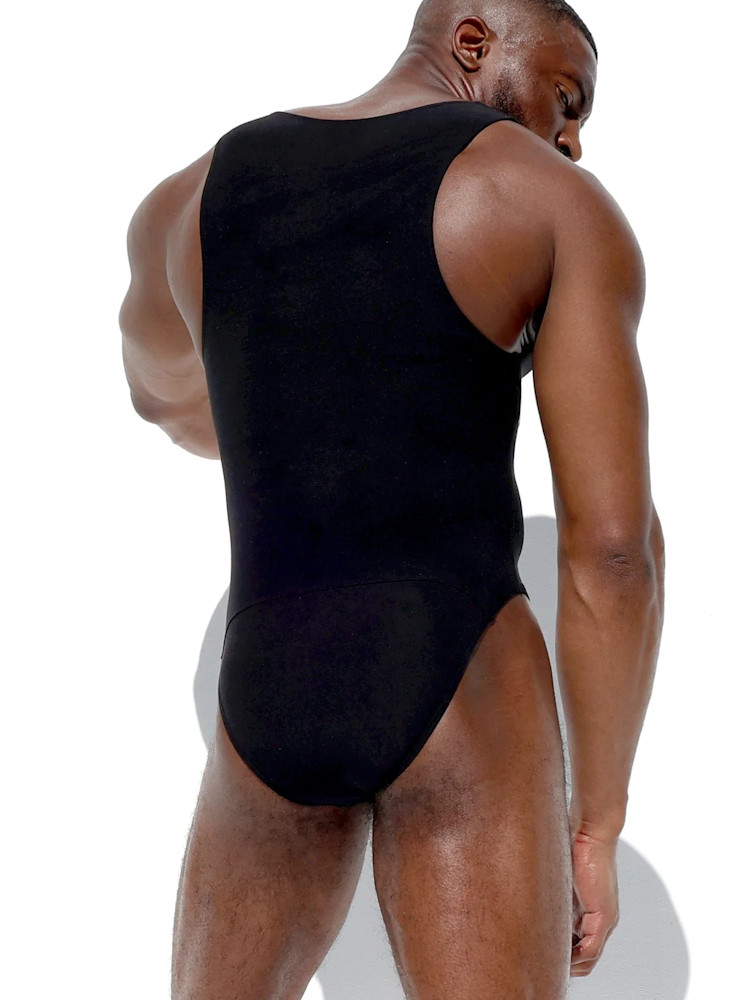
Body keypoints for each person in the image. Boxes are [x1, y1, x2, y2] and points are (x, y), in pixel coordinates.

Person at [119, 0, 666, 996]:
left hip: (264, 692)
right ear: (472, 41)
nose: (573, 139)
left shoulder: (191, 199)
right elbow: (613, 552)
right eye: (566, 97)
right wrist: (598, 824)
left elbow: (163, 397)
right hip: (462, 686)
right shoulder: (549, 201)